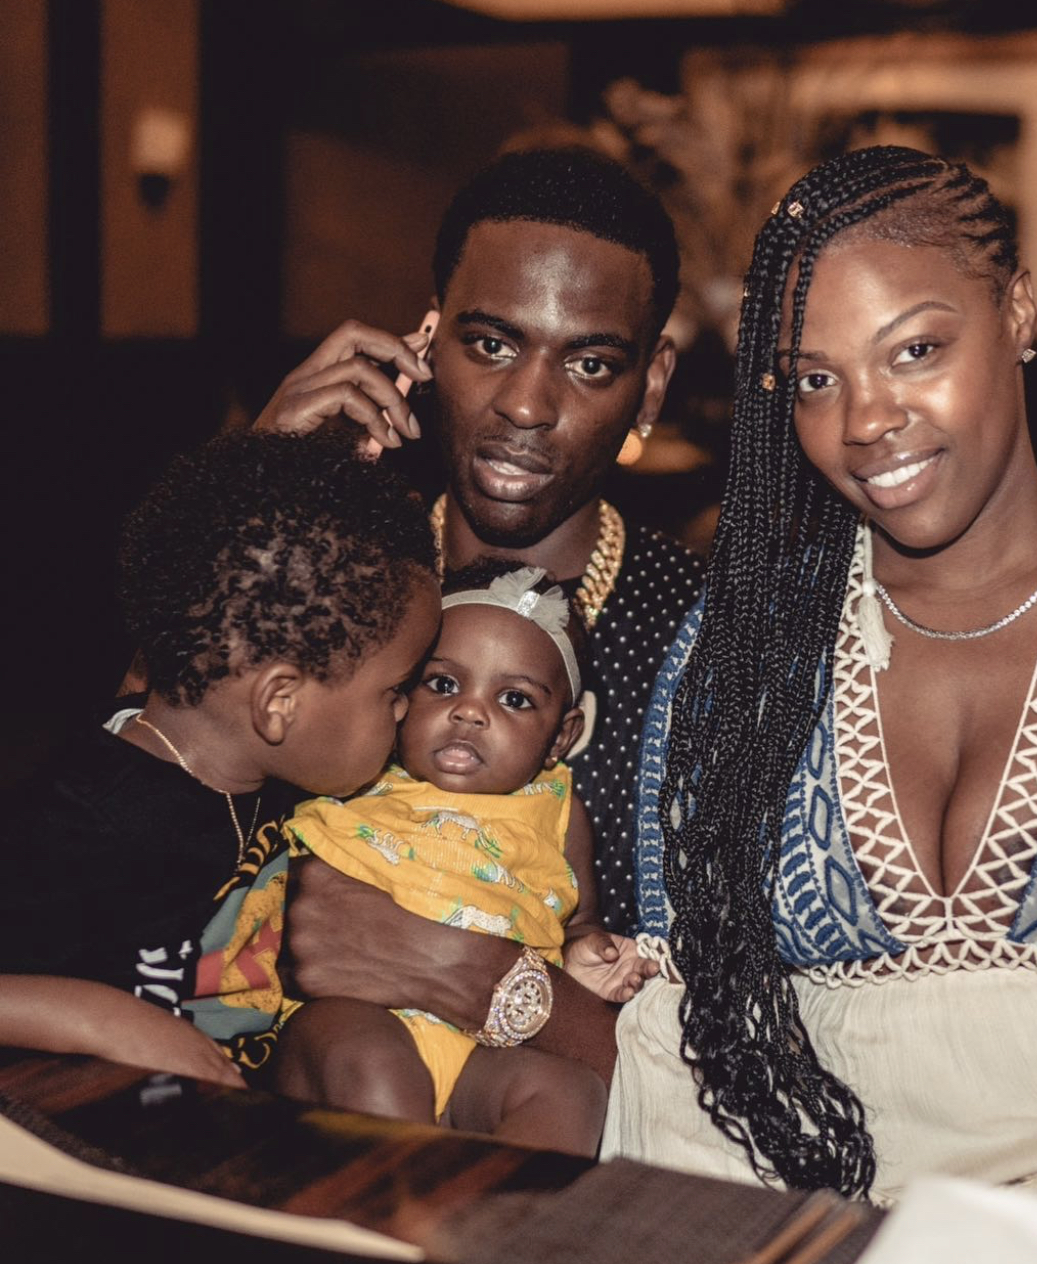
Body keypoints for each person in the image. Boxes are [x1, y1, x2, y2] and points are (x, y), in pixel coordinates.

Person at [602, 147, 1037, 1263]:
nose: (866, 421)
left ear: (1016, 312)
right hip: (819, 1223)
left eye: (915, 350)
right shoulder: (742, 651)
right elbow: (684, 1060)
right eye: (815, 380)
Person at [254, 148, 703, 1087]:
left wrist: (458, 969)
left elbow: (740, 1073)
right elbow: (121, 826)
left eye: (590, 363)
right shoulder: (328, 572)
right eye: (492, 345)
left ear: (652, 385)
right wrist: (251, 497)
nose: (526, 404)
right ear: (426, 341)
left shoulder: (711, 641)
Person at [0, 433, 440, 1087]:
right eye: (394, 689)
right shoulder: (81, 821)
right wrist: (104, 1020)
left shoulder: (278, 778)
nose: (406, 711)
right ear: (279, 703)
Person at [275, 564, 650, 1154]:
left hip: (484, 1047)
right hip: (352, 1015)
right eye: (444, 685)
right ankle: (399, 1200)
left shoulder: (558, 810)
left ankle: (490, 1209)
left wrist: (586, 950)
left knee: (570, 1093)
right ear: (400, 695)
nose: (470, 712)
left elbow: (578, 918)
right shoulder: (363, 773)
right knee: (375, 1065)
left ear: (560, 736)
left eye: (514, 699)